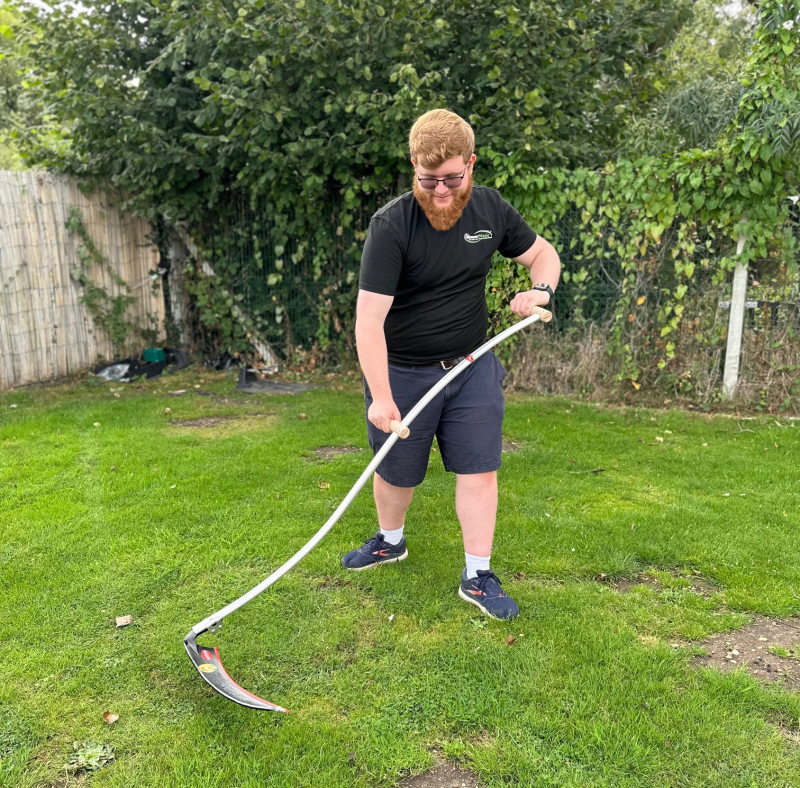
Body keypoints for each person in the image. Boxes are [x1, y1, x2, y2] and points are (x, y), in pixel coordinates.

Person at [341, 109, 561, 620]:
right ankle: (390, 541)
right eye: (427, 180)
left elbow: (542, 254)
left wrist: (540, 290)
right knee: (397, 472)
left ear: (472, 165)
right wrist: (382, 396)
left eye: (452, 179)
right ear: (414, 168)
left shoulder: (490, 211)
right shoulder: (391, 225)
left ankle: (477, 575)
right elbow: (369, 321)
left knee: (479, 470)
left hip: (471, 363)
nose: (440, 191)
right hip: (404, 371)